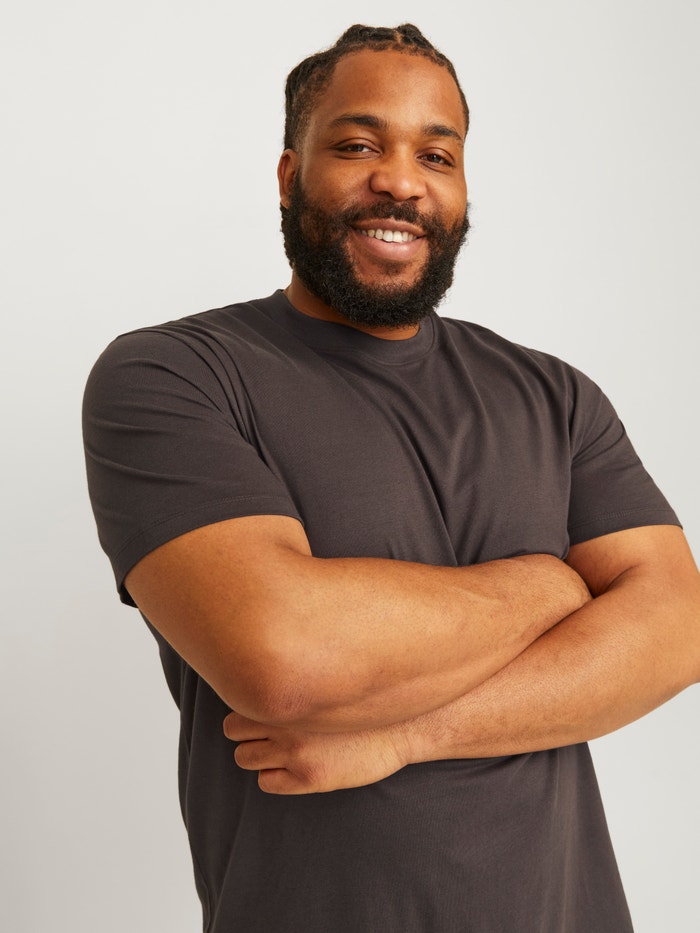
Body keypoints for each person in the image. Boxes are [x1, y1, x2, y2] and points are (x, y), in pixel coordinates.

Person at [82, 23, 700, 933]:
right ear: (290, 174)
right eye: (358, 145)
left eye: (436, 155)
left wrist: (403, 733)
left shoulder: (556, 396)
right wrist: (552, 585)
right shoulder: (175, 375)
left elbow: (677, 629)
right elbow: (283, 657)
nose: (402, 182)